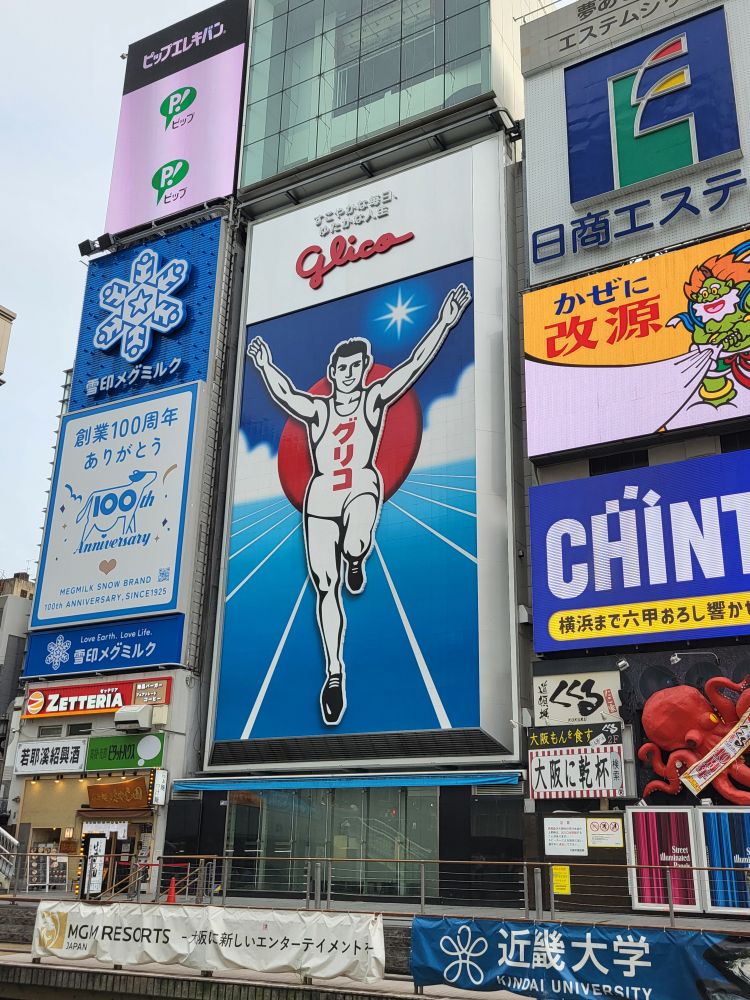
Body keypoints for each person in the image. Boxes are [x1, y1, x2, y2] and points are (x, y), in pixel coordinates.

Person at [248, 283, 471, 725]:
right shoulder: (317, 410)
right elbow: (284, 394)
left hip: (361, 487)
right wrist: (264, 363)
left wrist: (445, 322)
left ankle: (356, 555)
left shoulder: (373, 400)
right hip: (321, 498)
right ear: (332, 372)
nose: (349, 372)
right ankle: (334, 672)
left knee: (361, 516)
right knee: (325, 588)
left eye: (356, 366)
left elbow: (412, 367)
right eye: (342, 367)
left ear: (364, 369)